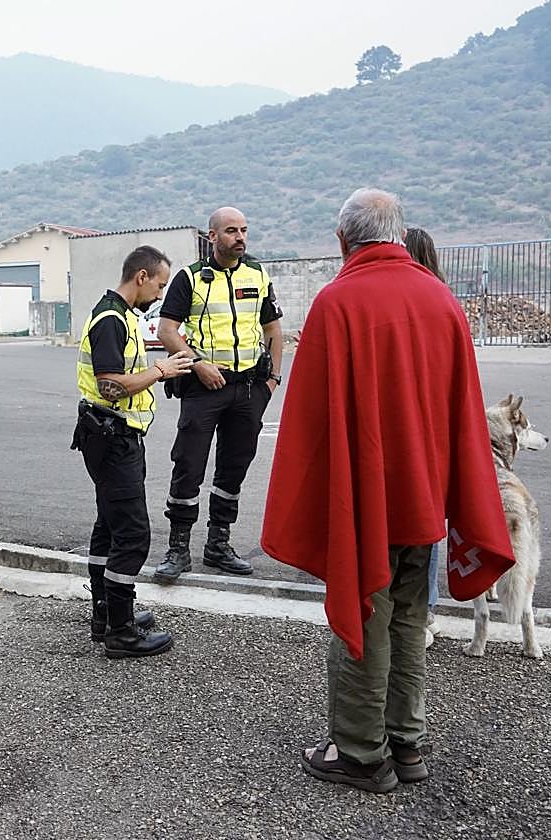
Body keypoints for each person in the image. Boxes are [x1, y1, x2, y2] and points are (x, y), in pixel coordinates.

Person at [262, 189, 514, 792]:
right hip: (424, 500)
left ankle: (360, 753)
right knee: (409, 617)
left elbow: (312, 425)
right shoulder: (442, 300)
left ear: (344, 239)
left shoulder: (337, 302)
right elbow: (460, 413)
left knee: (367, 614)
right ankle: (408, 744)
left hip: (364, 500)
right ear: (398, 234)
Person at [72, 244, 194, 658]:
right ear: (141, 277)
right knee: (132, 533)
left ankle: (106, 614)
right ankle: (120, 633)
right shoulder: (111, 319)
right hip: (112, 437)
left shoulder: (121, 316)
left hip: (111, 435)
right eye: (159, 285)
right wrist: (162, 371)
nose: (160, 294)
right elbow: (110, 383)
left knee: (109, 526)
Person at [153, 207, 283, 581]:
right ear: (212, 237)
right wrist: (197, 364)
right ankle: (178, 549)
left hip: (248, 390)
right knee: (188, 466)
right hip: (203, 388)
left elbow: (273, 328)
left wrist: (272, 380)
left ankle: (218, 544)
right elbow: (166, 330)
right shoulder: (190, 279)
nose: (240, 237)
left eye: (243, 230)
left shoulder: (257, 273)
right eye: (231, 231)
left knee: (234, 468)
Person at [404, 226, 448, 648]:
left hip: (413, 430)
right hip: (431, 432)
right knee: (426, 520)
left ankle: (421, 610)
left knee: (417, 523)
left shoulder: (415, 300)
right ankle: (423, 610)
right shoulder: (441, 300)